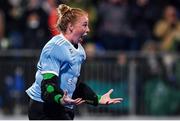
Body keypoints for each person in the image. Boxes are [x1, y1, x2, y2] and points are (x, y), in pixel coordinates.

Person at [26, 4, 123, 120]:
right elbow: (48, 86)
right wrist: (59, 99)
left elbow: (74, 85)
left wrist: (97, 98)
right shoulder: (54, 48)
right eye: (84, 25)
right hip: (44, 108)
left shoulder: (80, 51)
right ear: (71, 26)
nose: (88, 30)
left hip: (63, 106)